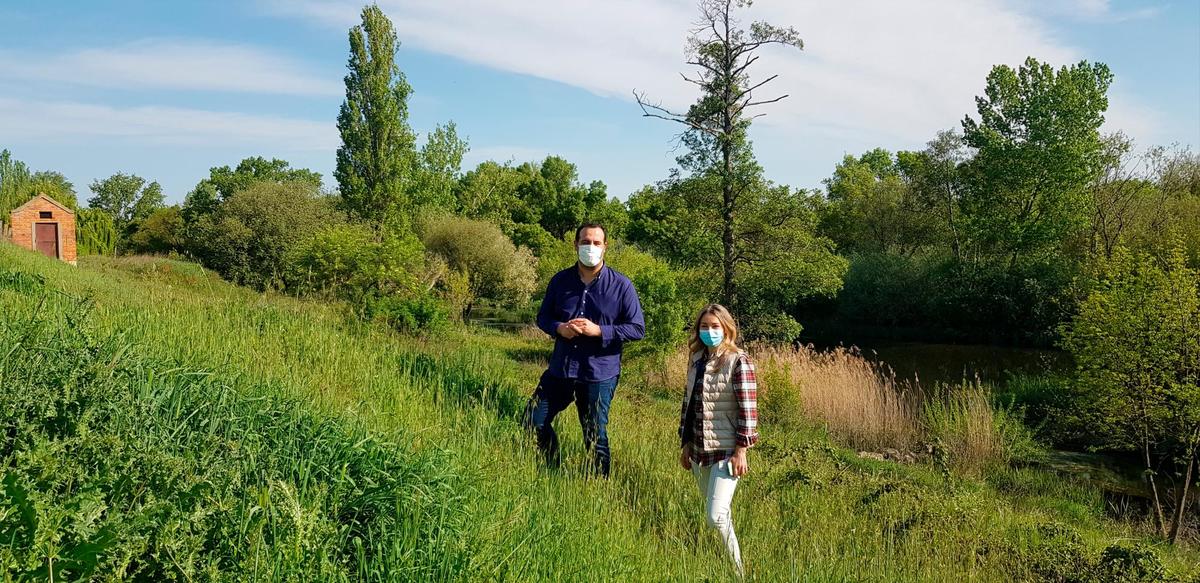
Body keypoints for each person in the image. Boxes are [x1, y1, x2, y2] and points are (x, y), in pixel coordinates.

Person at [530, 223, 645, 477]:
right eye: (585, 242)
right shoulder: (560, 281)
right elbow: (543, 317)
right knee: (533, 420)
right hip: (561, 369)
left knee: (594, 434)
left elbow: (637, 329)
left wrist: (600, 331)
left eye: (596, 243)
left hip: (599, 374)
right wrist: (559, 328)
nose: (590, 247)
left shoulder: (622, 286)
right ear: (576, 245)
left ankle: (599, 485)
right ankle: (552, 470)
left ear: (605, 247)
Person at [678, 303, 758, 577]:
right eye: (704, 326)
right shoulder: (697, 359)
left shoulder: (738, 361)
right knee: (718, 513)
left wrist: (742, 450)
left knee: (715, 516)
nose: (709, 331)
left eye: (715, 326)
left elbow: (748, 409)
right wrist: (685, 444)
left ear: (726, 328)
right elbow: (688, 404)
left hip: (726, 451)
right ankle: (725, 561)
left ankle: (739, 573)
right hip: (700, 448)